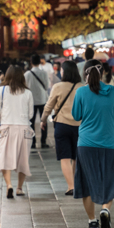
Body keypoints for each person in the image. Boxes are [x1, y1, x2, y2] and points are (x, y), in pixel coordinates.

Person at [72, 59, 114, 228]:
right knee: (109, 180)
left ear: (85, 73)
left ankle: (92, 222)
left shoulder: (81, 92)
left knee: (87, 183)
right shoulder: (113, 91)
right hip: (108, 144)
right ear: (103, 72)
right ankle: (105, 209)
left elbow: (76, 115)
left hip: (86, 144)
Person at [0, 66, 34, 198]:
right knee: (23, 158)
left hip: (6, 127)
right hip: (24, 128)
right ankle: (19, 188)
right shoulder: (28, 93)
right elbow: (31, 113)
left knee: (5, 157)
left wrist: (3, 118)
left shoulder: (2, 90)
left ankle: (9, 185)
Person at [44, 62, 84, 195]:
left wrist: (43, 119)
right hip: (80, 126)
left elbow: (49, 106)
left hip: (62, 125)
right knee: (76, 157)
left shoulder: (58, 87)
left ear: (64, 72)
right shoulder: (82, 87)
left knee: (65, 157)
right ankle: (76, 184)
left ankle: (71, 186)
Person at [26, 54, 51, 149]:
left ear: (31, 62)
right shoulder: (44, 73)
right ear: (40, 62)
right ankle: (43, 142)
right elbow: (47, 86)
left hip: (31, 100)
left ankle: (32, 142)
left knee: (31, 122)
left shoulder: (27, 74)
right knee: (43, 120)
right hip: (42, 99)